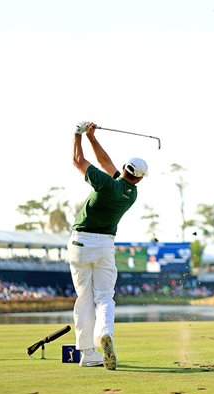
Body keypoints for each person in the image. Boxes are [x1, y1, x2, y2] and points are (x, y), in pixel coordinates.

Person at [69, 121, 148, 370]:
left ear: (124, 169)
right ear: (138, 179)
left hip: (80, 242)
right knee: (104, 298)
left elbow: (77, 160)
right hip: (104, 246)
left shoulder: (104, 182)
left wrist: (77, 134)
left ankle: (87, 353)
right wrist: (92, 138)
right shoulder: (130, 193)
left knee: (84, 297)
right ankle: (106, 335)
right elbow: (106, 163)